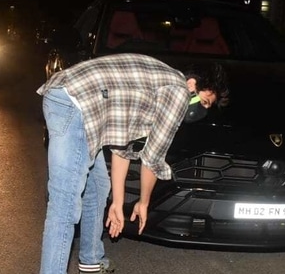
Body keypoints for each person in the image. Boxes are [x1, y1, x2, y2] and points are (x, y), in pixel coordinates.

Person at [36, 53, 229, 274]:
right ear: (192, 84)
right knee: (65, 204)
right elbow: (152, 158)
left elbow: (122, 148)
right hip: (75, 103)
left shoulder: (156, 82)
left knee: (98, 185)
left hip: (72, 99)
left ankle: (90, 261)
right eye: (204, 102)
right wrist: (143, 202)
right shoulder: (177, 91)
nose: (201, 110)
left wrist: (118, 203)